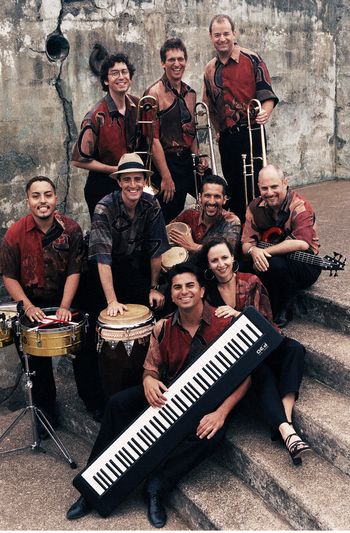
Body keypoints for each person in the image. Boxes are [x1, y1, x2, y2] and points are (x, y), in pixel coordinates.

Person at [66, 262, 251, 526]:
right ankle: (92, 486)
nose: (183, 291)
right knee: (118, 404)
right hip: (170, 396)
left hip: (207, 403)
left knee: (214, 434)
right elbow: (150, 370)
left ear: (201, 291)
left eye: (190, 285)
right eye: (177, 287)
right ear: (172, 293)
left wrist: (221, 413)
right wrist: (148, 382)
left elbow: (246, 376)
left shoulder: (226, 322)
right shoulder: (162, 327)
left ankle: (157, 486)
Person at [196, 235, 310, 466]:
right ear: (208, 265)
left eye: (225, 258)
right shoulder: (206, 293)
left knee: (295, 349)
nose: (221, 264)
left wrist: (238, 315)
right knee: (259, 370)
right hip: (237, 354)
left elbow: (267, 322)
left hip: (263, 342)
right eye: (214, 260)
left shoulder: (251, 281)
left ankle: (285, 419)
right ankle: (287, 431)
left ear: (233, 258)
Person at [0, 176, 83, 436]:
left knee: (82, 351)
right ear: (28, 201)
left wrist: (65, 306)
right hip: (31, 300)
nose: (42, 201)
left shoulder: (71, 229)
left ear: (56, 198)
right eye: (36, 196)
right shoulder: (14, 233)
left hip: (66, 297)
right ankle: (46, 417)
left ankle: (91, 401)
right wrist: (27, 306)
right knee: (36, 365)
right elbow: (9, 276)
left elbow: (74, 270)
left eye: (47, 194)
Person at [203, 14, 279, 222]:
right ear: (211, 37)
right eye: (217, 35)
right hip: (228, 138)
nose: (222, 39)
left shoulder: (252, 58)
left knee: (259, 186)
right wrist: (218, 130)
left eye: (226, 33)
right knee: (234, 188)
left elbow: (267, 93)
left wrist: (265, 112)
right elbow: (209, 106)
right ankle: (240, 237)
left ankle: (263, 231)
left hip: (252, 133)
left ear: (234, 34)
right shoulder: (210, 69)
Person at [241, 164, 322, 327]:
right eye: (264, 188)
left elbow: (302, 243)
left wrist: (264, 252)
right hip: (270, 260)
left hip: (305, 263)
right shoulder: (254, 207)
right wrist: (253, 250)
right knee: (241, 260)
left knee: (274, 263)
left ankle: (283, 307)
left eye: (274, 186)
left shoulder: (300, 205)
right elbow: (245, 242)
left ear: (285, 182)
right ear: (259, 187)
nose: (269, 193)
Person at [144, 38, 207, 223]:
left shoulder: (191, 94)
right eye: (171, 60)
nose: (176, 64)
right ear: (163, 63)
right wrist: (166, 176)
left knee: (216, 192)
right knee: (168, 211)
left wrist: (200, 159)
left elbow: (191, 133)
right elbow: (152, 140)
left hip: (187, 160)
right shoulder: (153, 94)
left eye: (180, 59)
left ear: (186, 61)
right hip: (166, 162)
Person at [71, 53, 139, 219]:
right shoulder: (96, 115)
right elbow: (77, 160)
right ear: (106, 81)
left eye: (124, 72)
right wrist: (114, 170)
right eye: (115, 73)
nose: (121, 77)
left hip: (129, 184)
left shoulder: (138, 105)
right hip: (103, 186)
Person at [168, 174, 241, 256]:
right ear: (200, 197)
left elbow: (227, 253)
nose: (212, 201)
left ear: (224, 199)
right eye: (207, 196)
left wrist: (193, 246)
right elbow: (167, 232)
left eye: (217, 196)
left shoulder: (231, 221)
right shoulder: (190, 212)